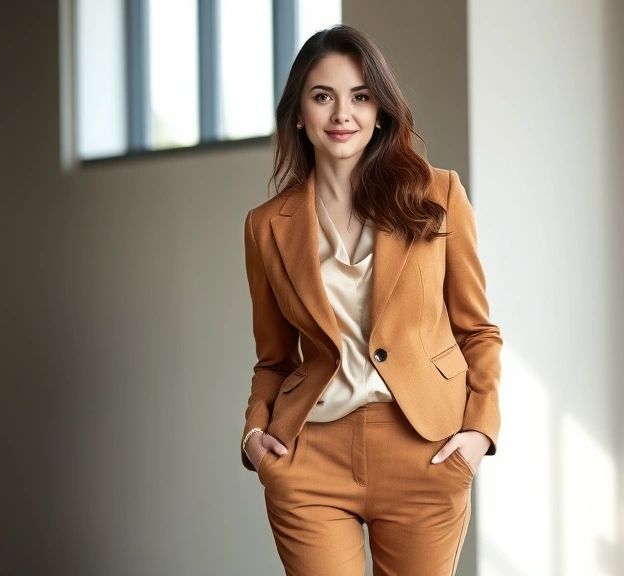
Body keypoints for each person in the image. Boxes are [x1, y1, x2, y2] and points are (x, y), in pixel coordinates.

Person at [240, 25, 503, 576]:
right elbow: (274, 358)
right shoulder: (267, 227)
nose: (342, 114)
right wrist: (254, 438)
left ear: (380, 110)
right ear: (297, 113)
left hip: (422, 448)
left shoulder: (439, 195)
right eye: (322, 96)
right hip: (310, 455)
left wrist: (479, 433)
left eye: (360, 96)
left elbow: (477, 331)